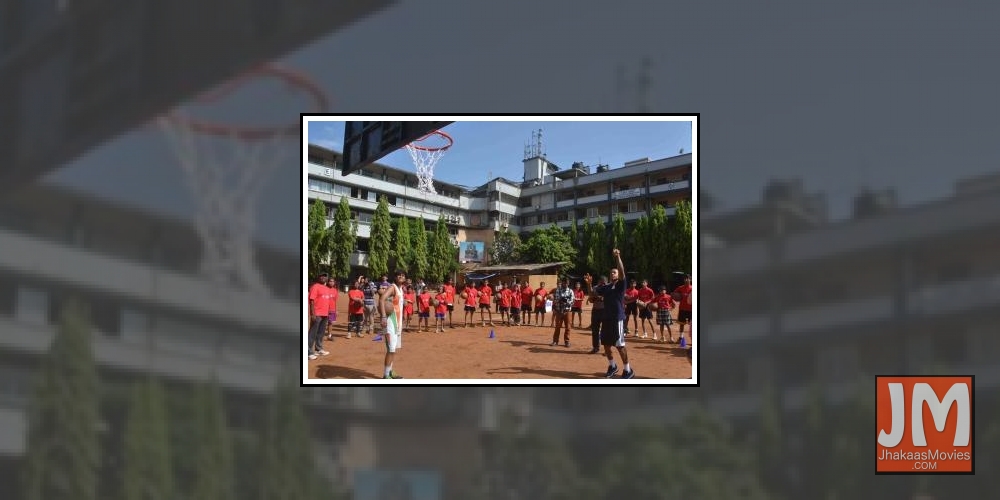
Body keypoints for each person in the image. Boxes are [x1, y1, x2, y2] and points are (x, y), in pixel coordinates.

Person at [594, 249, 635, 378]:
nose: (613, 273)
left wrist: (618, 257)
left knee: (619, 345)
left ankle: (628, 370)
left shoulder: (621, 285)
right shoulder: (606, 287)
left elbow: (622, 272)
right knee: (606, 345)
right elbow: (593, 294)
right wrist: (589, 285)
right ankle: (613, 366)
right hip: (606, 319)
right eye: (611, 272)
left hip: (617, 319)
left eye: (615, 272)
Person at [377, 269, 407, 379]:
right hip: (389, 322)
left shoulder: (401, 289)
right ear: (395, 277)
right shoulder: (392, 287)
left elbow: (397, 304)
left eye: (403, 275)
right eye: (399, 275)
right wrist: (384, 316)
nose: (401, 276)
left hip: (397, 323)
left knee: (393, 348)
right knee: (390, 349)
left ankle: (390, 371)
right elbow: (382, 300)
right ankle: (385, 375)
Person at [307, 272, 333, 360]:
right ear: (319, 277)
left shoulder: (326, 288)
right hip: (317, 314)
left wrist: (329, 312)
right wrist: (313, 313)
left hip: (325, 314)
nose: (323, 277)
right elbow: (311, 301)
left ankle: (318, 349)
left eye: (325, 276)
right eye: (322, 276)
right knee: (312, 333)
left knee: (321, 333)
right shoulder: (315, 286)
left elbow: (327, 301)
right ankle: (308, 352)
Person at [550, 276, 575, 347]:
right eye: (564, 283)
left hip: (567, 311)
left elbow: (573, 301)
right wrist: (560, 300)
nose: (566, 284)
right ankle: (555, 341)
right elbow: (556, 300)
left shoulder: (570, 291)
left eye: (567, 283)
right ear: (562, 283)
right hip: (559, 311)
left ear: (568, 283)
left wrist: (567, 301)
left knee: (568, 327)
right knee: (557, 326)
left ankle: (567, 342)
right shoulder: (558, 290)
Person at [585, 274, 604, 354]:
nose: (601, 283)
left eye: (603, 282)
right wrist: (589, 284)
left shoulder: (608, 288)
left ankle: (607, 349)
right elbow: (591, 297)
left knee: (606, 330)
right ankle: (595, 347)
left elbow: (602, 298)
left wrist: (596, 296)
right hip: (595, 311)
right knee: (595, 330)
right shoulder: (595, 287)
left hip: (605, 311)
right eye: (600, 282)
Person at [673, 275, 693, 346]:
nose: (686, 280)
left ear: (690, 280)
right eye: (685, 279)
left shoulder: (693, 288)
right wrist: (675, 296)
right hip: (682, 308)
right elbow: (674, 294)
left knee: (692, 325)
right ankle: (681, 337)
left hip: (691, 310)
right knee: (681, 323)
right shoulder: (680, 288)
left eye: (687, 279)